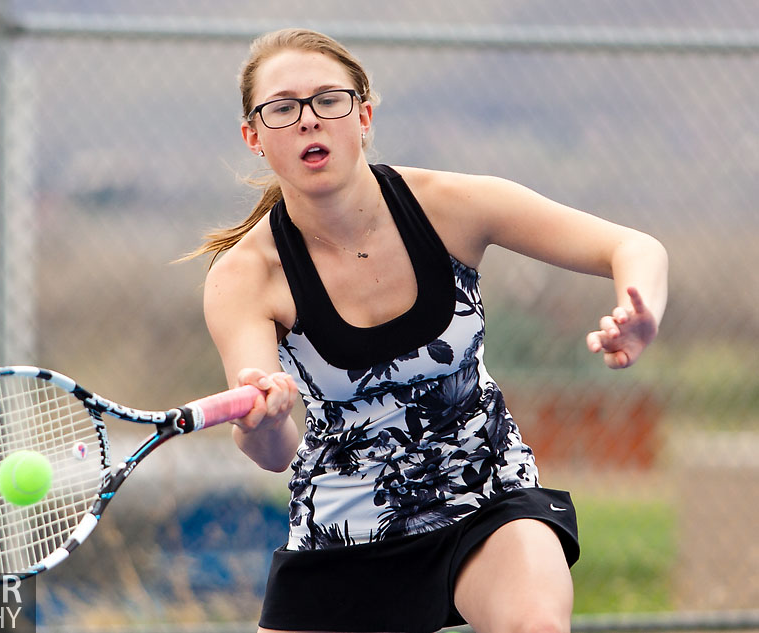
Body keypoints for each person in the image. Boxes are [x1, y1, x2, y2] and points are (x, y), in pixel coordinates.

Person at [186, 28, 668, 633]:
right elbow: (273, 453)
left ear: (362, 115)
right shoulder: (245, 276)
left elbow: (631, 246)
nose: (309, 120)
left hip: (486, 495)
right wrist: (266, 420)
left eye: (329, 100)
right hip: (343, 532)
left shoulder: (451, 206)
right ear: (254, 137)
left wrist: (640, 306)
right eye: (282, 108)